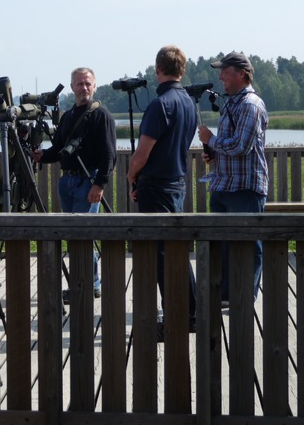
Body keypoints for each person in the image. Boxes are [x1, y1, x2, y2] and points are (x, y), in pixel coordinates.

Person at [126, 45, 197, 341]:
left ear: (158, 69)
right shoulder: (189, 103)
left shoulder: (160, 104)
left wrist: (131, 176)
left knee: (161, 256)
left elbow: (142, 153)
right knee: (176, 251)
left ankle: (175, 321)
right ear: (182, 70)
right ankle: (190, 314)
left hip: (156, 187)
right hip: (177, 183)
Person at [32, 67, 117, 303]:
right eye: (79, 84)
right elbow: (58, 149)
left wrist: (99, 185)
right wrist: (41, 156)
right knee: (74, 235)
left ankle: (90, 284)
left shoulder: (102, 116)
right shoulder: (69, 116)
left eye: (88, 83)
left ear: (95, 86)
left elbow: (110, 155)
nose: (84, 88)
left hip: (88, 181)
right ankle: (85, 283)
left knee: (84, 235)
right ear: (72, 87)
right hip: (67, 181)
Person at [198, 51, 268, 305]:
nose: (220, 77)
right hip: (225, 184)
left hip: (245, 188)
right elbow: (232, 148)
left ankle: (245, 295)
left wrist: (211, 141)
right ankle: (228, 293)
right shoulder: (232, 103)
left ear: (241, 74)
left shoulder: (250, 105)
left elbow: (241, 147)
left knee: (249, 243)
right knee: (225, 243)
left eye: (225, 72)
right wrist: (214, 154)